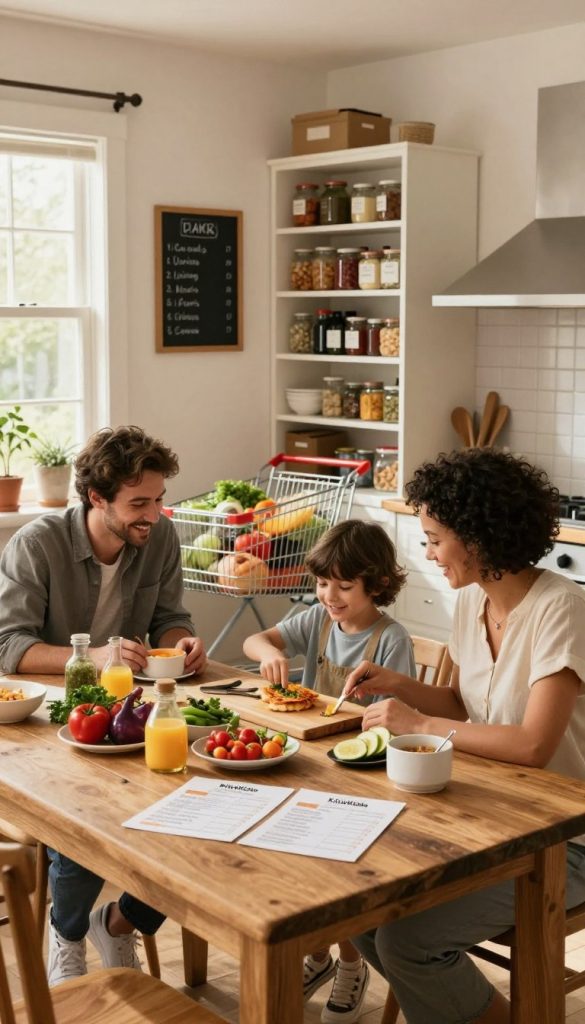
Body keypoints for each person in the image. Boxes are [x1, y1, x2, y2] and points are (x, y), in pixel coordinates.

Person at [340, 448, 585, 1024]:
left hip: (566, 842)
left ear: (477, 537)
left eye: (434, 539)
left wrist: (421, 725)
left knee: (407, 942)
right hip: (494, 818)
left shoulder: (563, 610)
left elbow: (531, 744)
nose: (427, 553)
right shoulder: (472, 601)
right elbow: (468, 706)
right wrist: (399, 687)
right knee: (366, 917)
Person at [0, 425, 207, 987]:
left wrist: (183, 636)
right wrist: (95, 652)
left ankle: (117, 924)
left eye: (159, 499)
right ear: (96, 497)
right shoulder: (37, 544)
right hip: (58, 720)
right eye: (139, 503)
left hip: (136, 714)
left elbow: (168, 614)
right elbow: (7, 647)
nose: (154, 514)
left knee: (197, 811)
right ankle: (66, 938)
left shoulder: (158, 538)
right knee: (87, 816)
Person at [244, 519, 415, 1024]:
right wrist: (271, 652)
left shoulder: (390, 639)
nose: (330, 596)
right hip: (312, 760)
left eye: (344, 585)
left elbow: (390, 729)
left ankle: (349, 961)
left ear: (377, 584)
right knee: (294, 857)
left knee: (339, 870)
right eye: (322, 584)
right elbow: (256, 640)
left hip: (364, 774)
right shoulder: (315, 622)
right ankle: (318, 954)